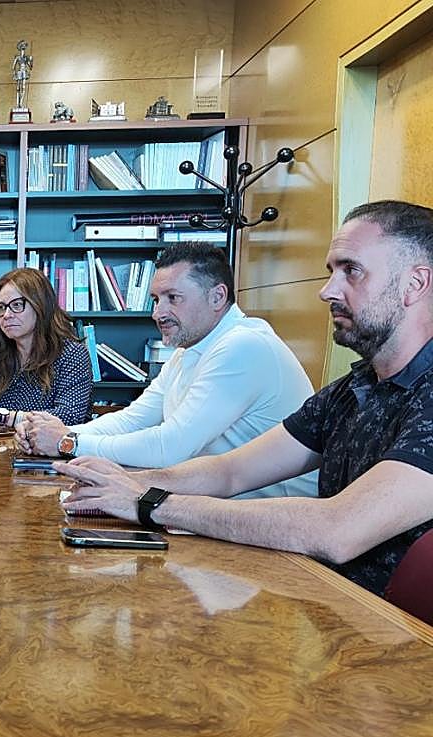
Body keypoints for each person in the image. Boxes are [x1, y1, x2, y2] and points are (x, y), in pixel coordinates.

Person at [56, 200, 433, 596]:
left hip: (393, 642)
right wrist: (121, 482)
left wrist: (149, 501)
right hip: (326, 607)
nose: (327, 291)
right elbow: (229, 471)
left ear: (415, 284)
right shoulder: (354, 388)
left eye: (351, 270)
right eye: (330, 271)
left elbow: (338, 530)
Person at [16, 241, 316, 498]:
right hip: (216, 505)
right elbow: (133, 420)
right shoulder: (189, 350)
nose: (157, 313)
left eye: (173, 298)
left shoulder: (244, 346)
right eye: (156, 299)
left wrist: (67, 442)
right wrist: (54, 435)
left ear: (217, 296)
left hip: (268, 532)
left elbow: (169, 446)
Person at [0, 267, 91, 429]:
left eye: (17, 305)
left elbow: (70, 416)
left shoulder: (72, 354)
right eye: (1, 307)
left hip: (47, 451)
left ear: (41, 306)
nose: (7, 315)